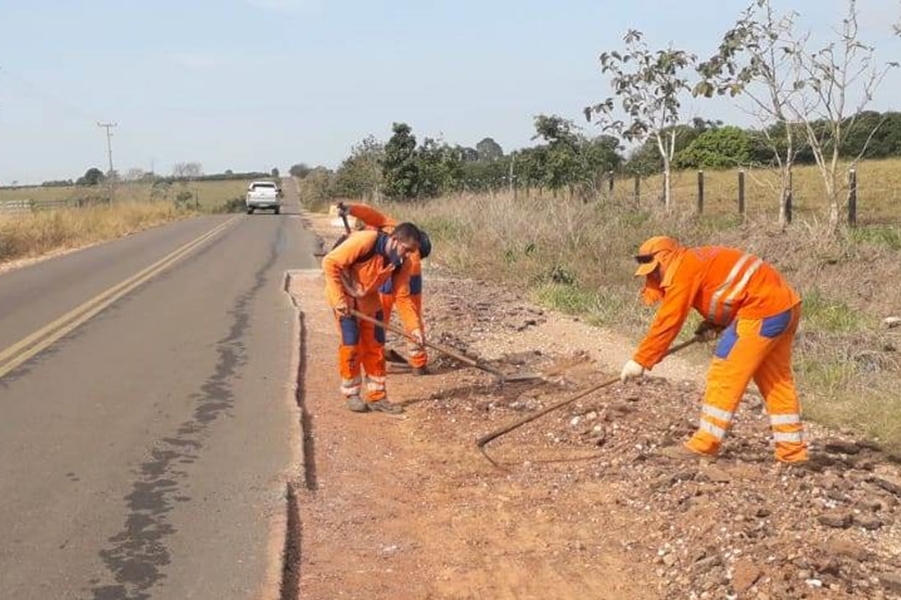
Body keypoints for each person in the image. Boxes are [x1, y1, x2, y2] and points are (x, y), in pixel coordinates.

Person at [619, 235, 807, 464]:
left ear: (665, 258)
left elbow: (669, 321)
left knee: (724, 371)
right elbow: (728, 290)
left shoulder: (682, 269)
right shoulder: (695, 261)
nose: (654, 277)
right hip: (784, 307)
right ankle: (792, 453)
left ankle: (705, 444)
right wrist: (715, 323)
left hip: (761, 311)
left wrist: (641, 360)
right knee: (776, 381)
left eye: (655, 270)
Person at [322, 221, 424, 414]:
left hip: (370, 302)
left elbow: (402, 296)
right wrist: (338, 300)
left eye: (411, 251)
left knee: (375, 348)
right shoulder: (365, 241)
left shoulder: (402, 263)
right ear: (395, 240)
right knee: (352, 347)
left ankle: (378, 397)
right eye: (406, 249)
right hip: (346, 301)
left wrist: (414, 328)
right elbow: (330, 263)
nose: (407, 254)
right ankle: (352, 394)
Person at [337, 202, 432, 375]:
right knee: (413, 319)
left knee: (378, 323)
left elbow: (371, 214)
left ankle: (375, 351)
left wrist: (351, 209)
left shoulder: (391, 229)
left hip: (387, 274)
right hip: (407, 279)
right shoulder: (410, 251)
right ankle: (419, 363)